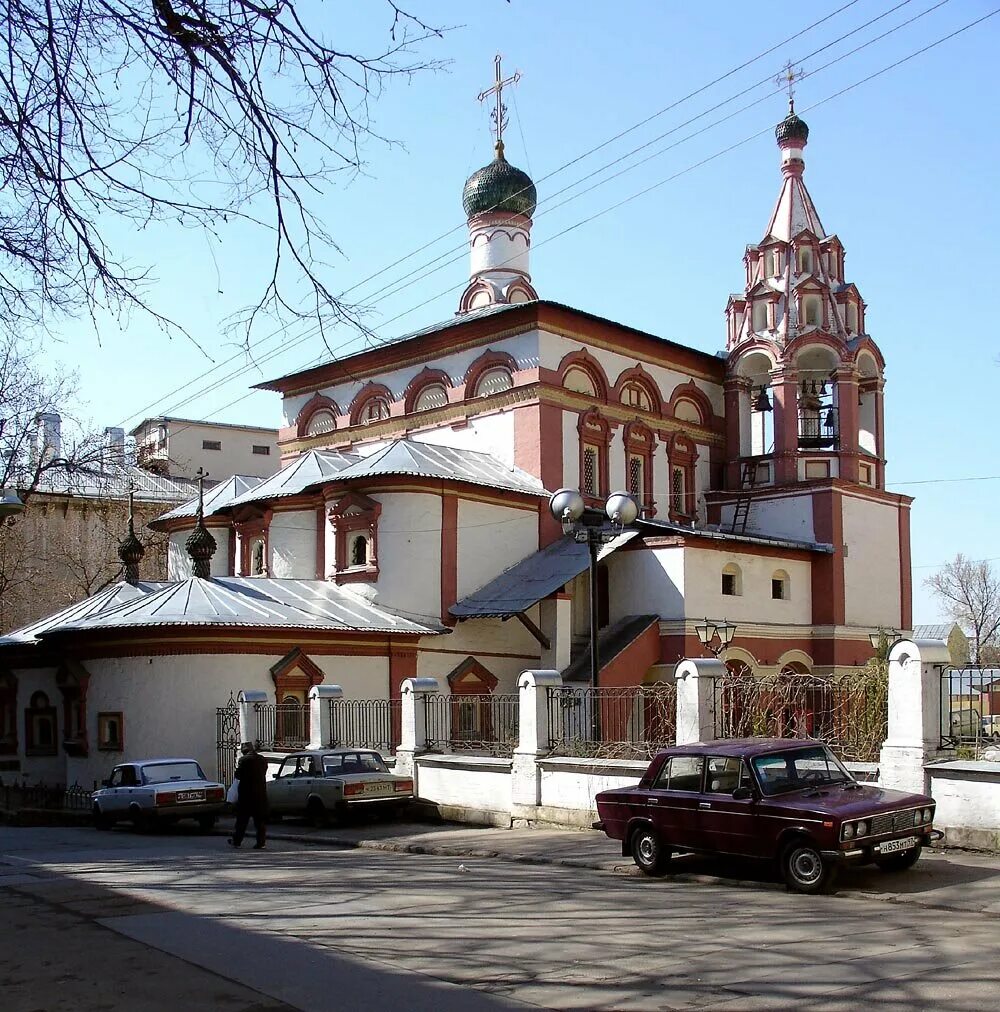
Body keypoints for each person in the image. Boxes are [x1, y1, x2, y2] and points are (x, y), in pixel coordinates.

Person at [228, 742, 269, 850]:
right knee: (259, 821)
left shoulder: (244, 760)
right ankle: (261, 842)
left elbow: (238, 775)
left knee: (242, 821)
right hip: (260, 795)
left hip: (246, 796)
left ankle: (237, 841)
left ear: (244, 751)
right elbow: (264, 772)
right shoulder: (262, 759)